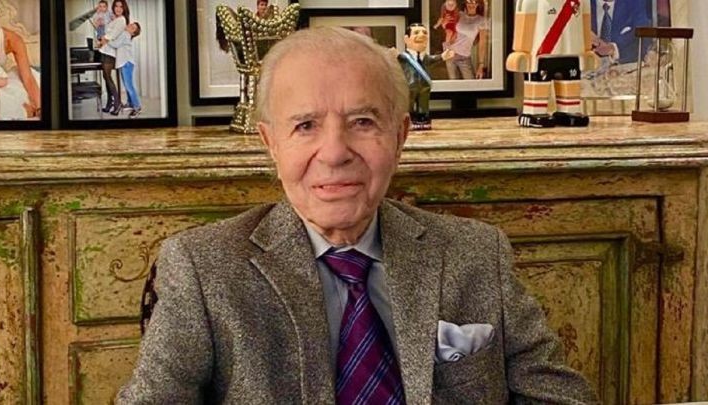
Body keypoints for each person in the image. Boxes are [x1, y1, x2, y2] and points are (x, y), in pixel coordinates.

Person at [116, 27, 598, 404]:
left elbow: (559, 397)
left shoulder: (476, 254)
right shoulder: (202, 268)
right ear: (271, 144)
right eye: (305, 126)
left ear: (400, 136)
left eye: (362, 122)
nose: (335, 152)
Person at [506, 0, 598, 128]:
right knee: (539, 84)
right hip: (541, 55)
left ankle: (569, 111)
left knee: (570, 84)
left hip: (572, 53)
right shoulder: (532, 2)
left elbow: (585, 25)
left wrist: (587, 50)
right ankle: (534, 112)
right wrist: (521, 50)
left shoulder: (582, 2)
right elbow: (524, 25)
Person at [0, 1, 41, 119]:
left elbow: (28, 78)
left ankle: (28, 110)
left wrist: (40, 108)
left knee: (26, 77)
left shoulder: (12, 39)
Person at [397, 23, 454, 130]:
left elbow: (433, 59)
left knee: (423, 104)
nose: (421, 35)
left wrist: (442, 56)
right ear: (406, 39)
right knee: (409, 104)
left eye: (424, 33)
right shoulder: (403, 58)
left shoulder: (426, 58)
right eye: (416, 33)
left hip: (424, 86)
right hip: (409, 86)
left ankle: (423, 118)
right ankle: (409, 120)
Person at [590, 0, 652, 64]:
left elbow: (644, 42)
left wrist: (614, 48)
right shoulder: (585, 5)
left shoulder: (635, 3)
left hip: (624, 66)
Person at [97, 0, 129, 116]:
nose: (118, 9)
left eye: (121, 7)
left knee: (108, 77)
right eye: (116, 6)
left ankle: (117, 103)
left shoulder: (121, 20)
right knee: (106, 77)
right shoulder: (115, 19)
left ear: (124, 9)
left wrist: (102, 40)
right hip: (105, 51)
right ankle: (110, 103)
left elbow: (112, 35)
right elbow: (106, 32)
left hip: (110, 52)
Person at [444, 0, 489, 80]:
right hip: (450, 53)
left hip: (464, 56)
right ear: (465, 3)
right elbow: (448, 27)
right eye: (468, 2)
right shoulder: (459, 15)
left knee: (470, 83)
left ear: (478, 4)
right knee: (453, 83)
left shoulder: (481, 20)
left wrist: (481, 64)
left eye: (474, 2)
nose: (471, 4)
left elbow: (482, 43)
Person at [107, 21, 141, 117]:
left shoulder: (126, 34)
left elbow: (115, 44)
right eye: (131, 24)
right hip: (125, 63)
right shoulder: (125, 34)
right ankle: (130, 103)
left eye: (133, 27)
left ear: (133, 33)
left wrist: (106, 40)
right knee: (127, 86)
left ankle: (137, 107)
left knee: (129, 86)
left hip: (127, 63)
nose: (130, 26)